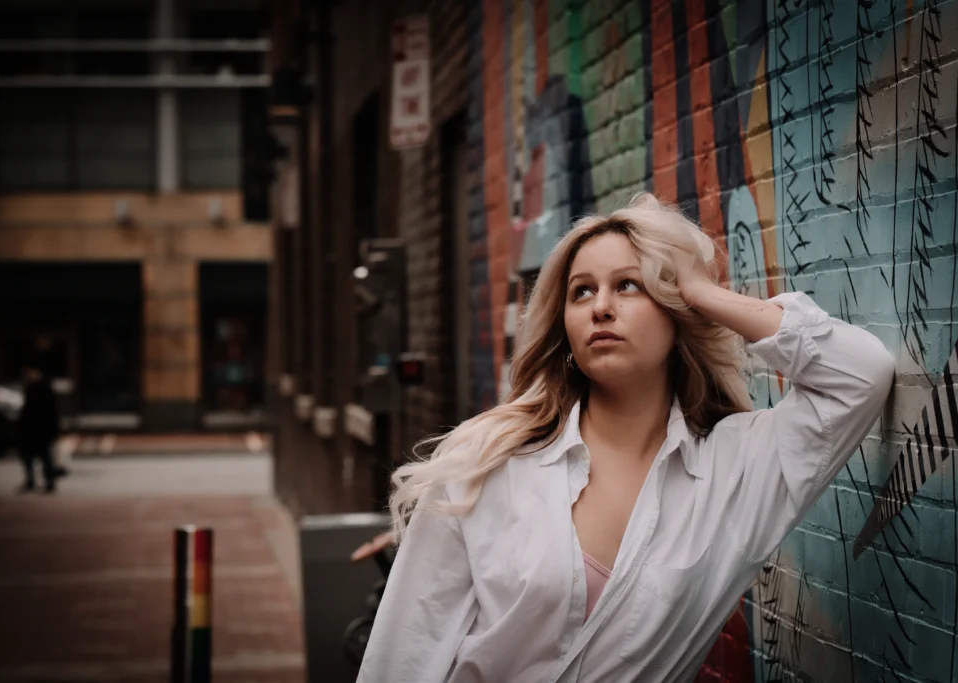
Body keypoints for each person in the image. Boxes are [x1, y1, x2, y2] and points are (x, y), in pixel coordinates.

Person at [356, 193, 895, 682]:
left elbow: (859, 375)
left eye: (628, 285)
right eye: (582, 292)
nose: (600, 307)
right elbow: (404, 652)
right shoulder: (486, 460)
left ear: (676, 311)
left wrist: (702, 291)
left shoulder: (736, 470)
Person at [17, 361, 61, 494]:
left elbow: (51, 412)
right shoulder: (31, 388)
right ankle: (32, 480)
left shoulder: (43, 388)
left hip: (41, 429)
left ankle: (48, 482)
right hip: (31, 429)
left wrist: (53, 430)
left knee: (44, 456)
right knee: (29, 457)